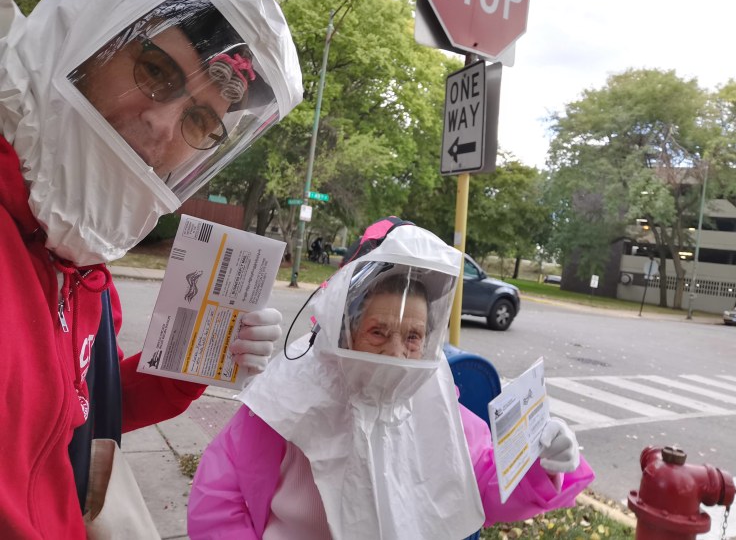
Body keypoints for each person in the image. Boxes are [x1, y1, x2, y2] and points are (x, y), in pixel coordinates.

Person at [0, 0, 302, 537]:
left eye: (199, 121)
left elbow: (78, 415)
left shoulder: (86, 279)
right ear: (88, 46)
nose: (163, 123)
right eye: (156, 71)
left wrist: (199, 357)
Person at [187, 223, 594, 539]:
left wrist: (537, 461)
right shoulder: (290, 397)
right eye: (378, 332)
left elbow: (480, 480)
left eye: (414, 337)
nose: (397, 353)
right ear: (343, 329)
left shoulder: (431, 398)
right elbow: (220, 496)